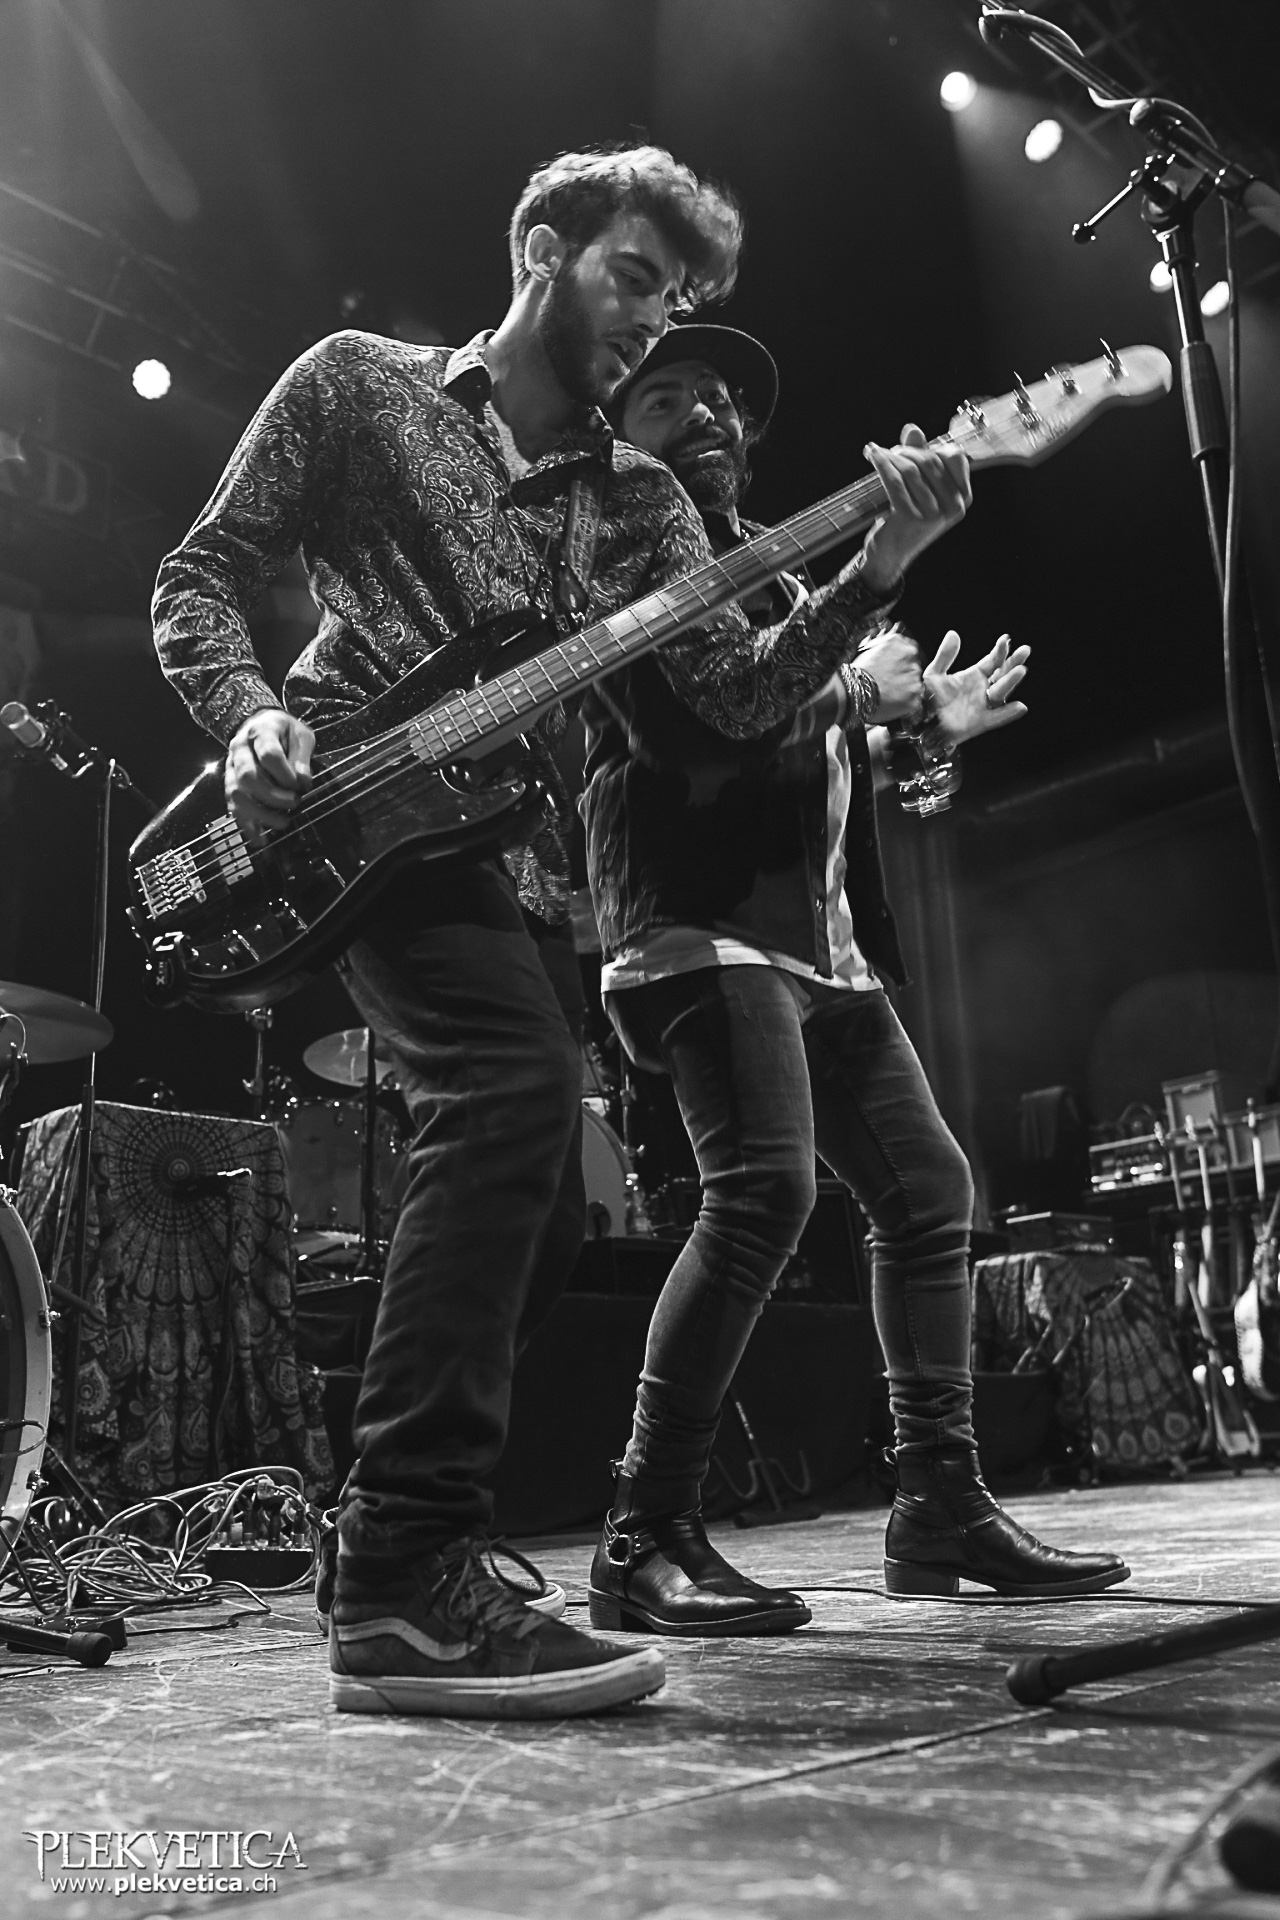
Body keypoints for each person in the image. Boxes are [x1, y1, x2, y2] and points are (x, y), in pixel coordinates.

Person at [150, 147, 951, 1716]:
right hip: (339, 816)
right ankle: (404, 1571)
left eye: (683, 295)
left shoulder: (638, 501)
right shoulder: (361, 387)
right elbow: (201, 575)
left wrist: (878, 566)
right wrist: (245, 716)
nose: (658, 319)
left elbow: (734, 699)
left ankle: (384, 1548)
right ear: (541, 249)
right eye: (638, 277)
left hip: (513, 867)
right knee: (512, 1092)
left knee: (556, 1216)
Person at [578, 323, 1129, 1636]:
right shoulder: (622, 552)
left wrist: (919, 729)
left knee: (929, 1191)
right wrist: (873, 584)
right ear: (615, 432)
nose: (709, 413)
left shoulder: (773, 572)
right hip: (699, 924)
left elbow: (803, 736)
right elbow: (715, 721)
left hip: (815, 945)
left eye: (725, 398)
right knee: (762, 1193)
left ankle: (937, 1499)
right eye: (669, 395)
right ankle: (641, 1530)